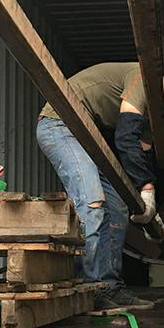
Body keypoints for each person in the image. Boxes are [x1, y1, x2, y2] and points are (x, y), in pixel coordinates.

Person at [36, 62, 157, 312]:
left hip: (86, 137)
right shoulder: (144, 78)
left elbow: (141, 158)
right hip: (58, 124)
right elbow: (125, 137)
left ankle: (109, 286)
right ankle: (88, 287)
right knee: (92, 201)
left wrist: (150, 204)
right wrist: (146, 188)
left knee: (117, 208)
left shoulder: (156, 117)